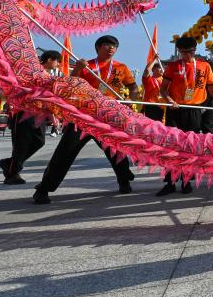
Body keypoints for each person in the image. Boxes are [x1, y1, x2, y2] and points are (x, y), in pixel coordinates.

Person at [33, 35, 139, 204]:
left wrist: (131, 100)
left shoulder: (121, 67)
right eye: (107, 45)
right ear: (98, 48)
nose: (111, 48)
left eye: (114, 46)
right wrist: (77, 69)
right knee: (65, 151)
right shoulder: (86, 65)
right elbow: (70, 82)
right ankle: (43, 189)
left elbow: (133, 87)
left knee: (116, 150)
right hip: (82, 117)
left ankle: (124, 181)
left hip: (107, 116)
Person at [156, 36, 213, 196]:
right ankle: (170, 182)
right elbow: (163, 89)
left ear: (194, 50)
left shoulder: (204, 66)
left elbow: (212, 89)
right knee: (171, 147)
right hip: (175, 109)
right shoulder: (173, 66)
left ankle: (186, 181)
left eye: (188, 52)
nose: (185, 55)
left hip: (193, 110)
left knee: (189, 147)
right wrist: (170, 101)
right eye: (182, 52)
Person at [0, 51, 62, 183]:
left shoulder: (48, 76)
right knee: (21, 144)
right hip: (24, 112)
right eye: (57, 61)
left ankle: (9, 163)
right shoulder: (31, 72)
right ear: (49, 60)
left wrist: (52, 115)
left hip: (39, 114)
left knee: (39, 141)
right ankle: (12, 174)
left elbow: (47, 98)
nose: (58, 64)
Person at [141, 58, 168, 124]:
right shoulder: (149, 80)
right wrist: (154, 59)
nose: (162, 69)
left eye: (163, 68)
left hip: (163, 108)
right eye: (159, 67)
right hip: (151, 106)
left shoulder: (166, 81)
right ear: (153, 69)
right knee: (151, 126)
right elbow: (147, 71)